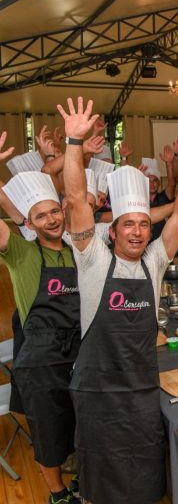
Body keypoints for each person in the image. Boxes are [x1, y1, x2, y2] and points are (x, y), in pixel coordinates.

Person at [62, 96, 178, 503]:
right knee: (100, 485)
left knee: (145, 482)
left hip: (142, 391)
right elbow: (76, 200)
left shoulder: (155, 262)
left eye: (144, 224)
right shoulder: (92, 258)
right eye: (128, 223)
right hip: (96, 393)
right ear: (112, 229)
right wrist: (75, 144)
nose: (138, 232)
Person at [0, 169, 81, 504]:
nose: (50, 220)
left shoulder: (74, 250)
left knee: (79, 423)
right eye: (40, 216)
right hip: (41, 362)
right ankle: (57, 493)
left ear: (63, 212)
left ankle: (78, 479)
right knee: (48, 431)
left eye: (54, 212)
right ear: (29, 224)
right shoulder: (22, 254)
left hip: (77, 356)